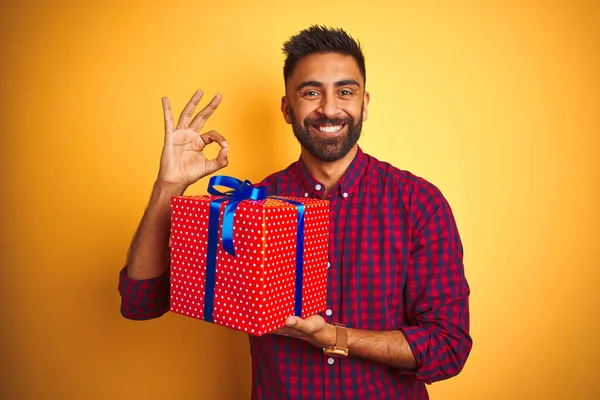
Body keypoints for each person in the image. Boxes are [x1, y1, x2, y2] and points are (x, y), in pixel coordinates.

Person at [118, 25, 472, 399]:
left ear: (364, 103)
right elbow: (141, 303)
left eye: (345, 91)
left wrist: (334, 337)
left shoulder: (417, 203)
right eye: (311, 92)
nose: (330, 108)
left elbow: (448, 347)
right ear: (288, 109)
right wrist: (168, 186)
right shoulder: (249, 208)